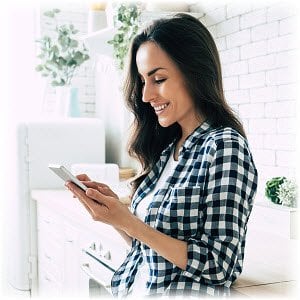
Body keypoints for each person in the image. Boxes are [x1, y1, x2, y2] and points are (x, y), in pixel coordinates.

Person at [66, 13, 258, 298]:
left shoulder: (224, 147)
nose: (146, 95)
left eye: (158, 79)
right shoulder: (169, 150)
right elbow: (152, 252)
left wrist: (130, 221)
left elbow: (220, 265)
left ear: (195, 73)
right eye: (143, 81)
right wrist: (117, 218)